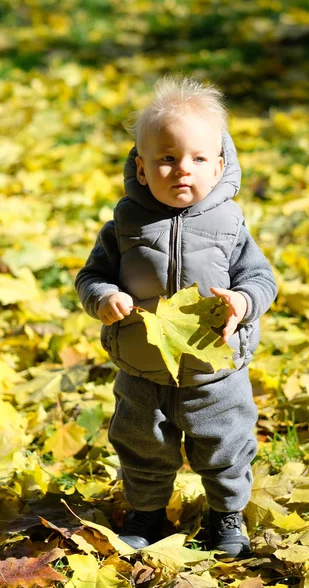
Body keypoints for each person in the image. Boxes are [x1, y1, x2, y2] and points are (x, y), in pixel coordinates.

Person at [75, 76, 277, 557]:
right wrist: (103, 297)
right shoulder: (125, 224)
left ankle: (225, 515)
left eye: (197, 158)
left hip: (214, 369)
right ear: (142, 169)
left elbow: (261, 279)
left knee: (224, 446)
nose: (181, 169)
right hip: (144, 368)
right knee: (142, 444)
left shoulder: (230, 224)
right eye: (166, 158)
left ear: (219, 165)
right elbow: (90, 276)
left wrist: (243, 303)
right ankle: (146, 513)